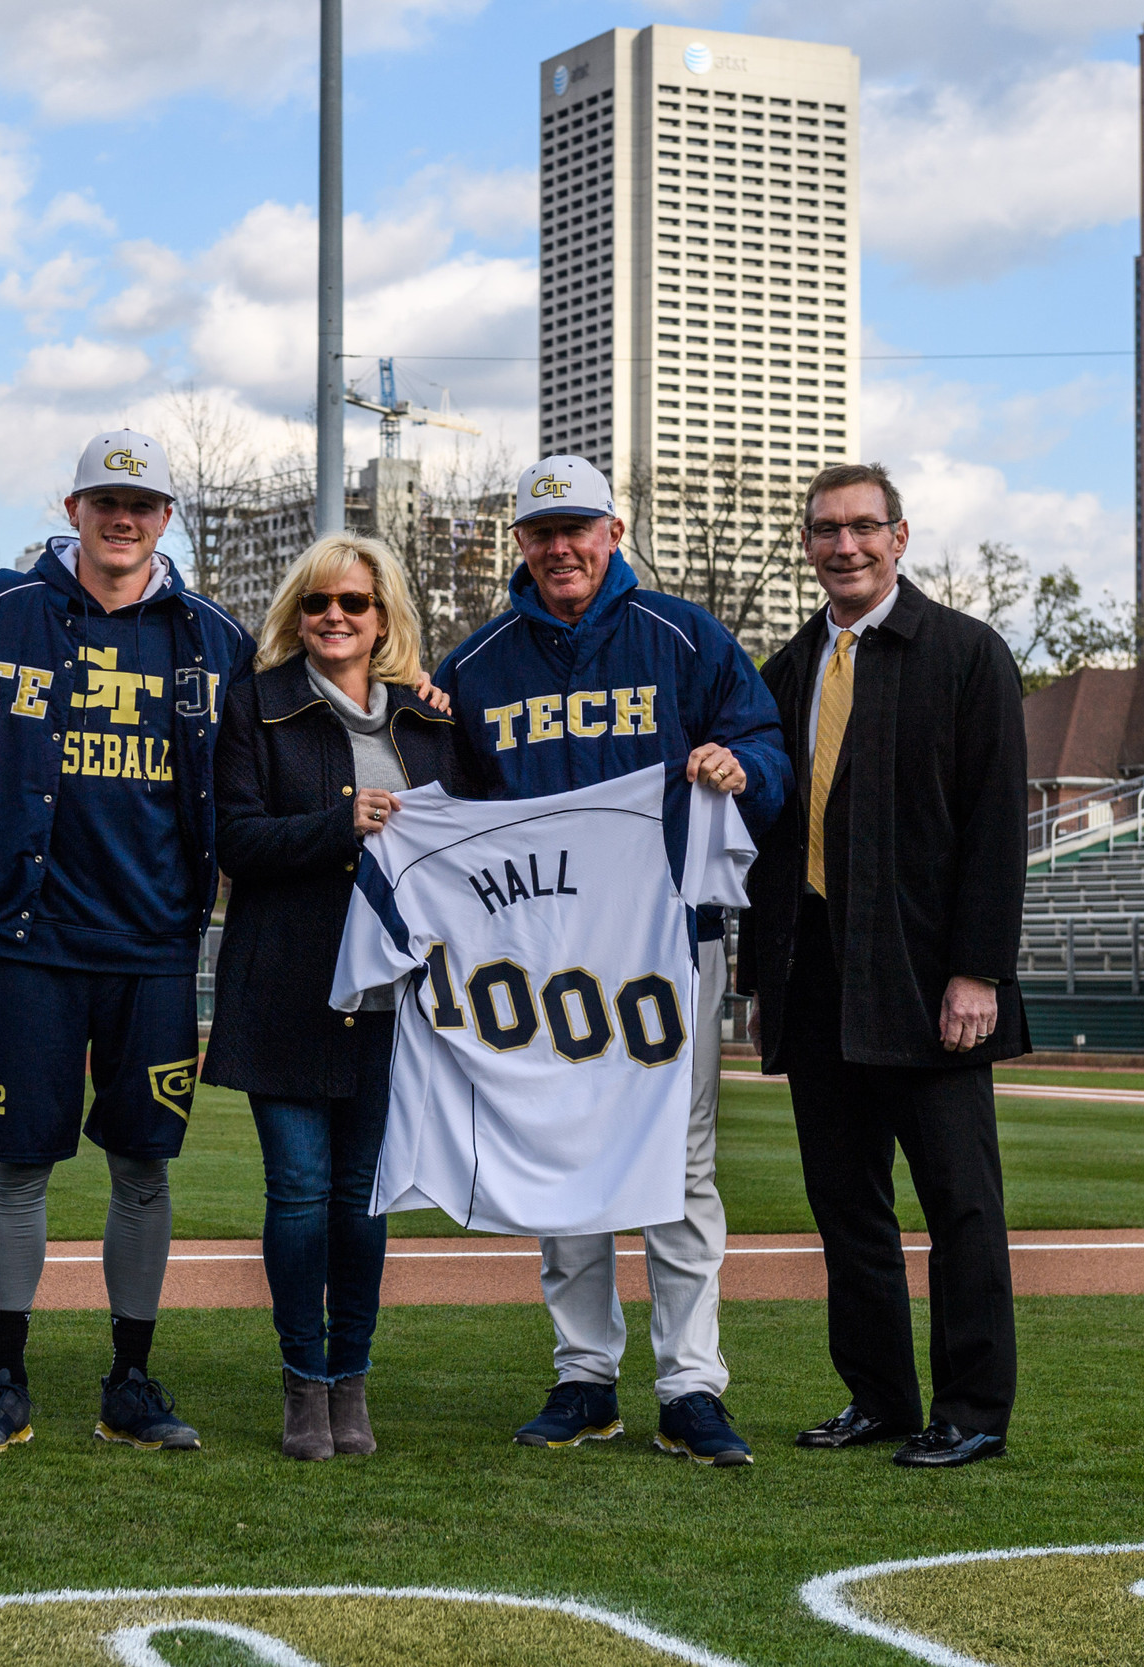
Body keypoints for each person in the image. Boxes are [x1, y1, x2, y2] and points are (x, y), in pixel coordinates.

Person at [0, 430, 256, 1455]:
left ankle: (130, 1382)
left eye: (141, 502)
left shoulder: (210, 636)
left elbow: (310, 710)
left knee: (144, 1166)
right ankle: (4, 1376)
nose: (122, 516)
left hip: (152, 943)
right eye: (106, 498)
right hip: (30, 937)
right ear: (72, 507)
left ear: (165, 517)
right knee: (20, 1164)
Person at [433, 454, 788, 1464]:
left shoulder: (682, 636)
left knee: (680, 1166)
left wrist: (740, 766)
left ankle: (690, 1384)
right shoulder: (477, 664)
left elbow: (767, 747)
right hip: (541, 959)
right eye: (541, 531)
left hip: (666, 944)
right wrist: (418, 709)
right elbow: (445, 808)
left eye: (576, 527)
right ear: (519, 544)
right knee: (563, 1157)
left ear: (613, 531)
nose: (560, 547)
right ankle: (584, 1375)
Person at [739, 460, 1027, 1469]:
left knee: (960, 1202)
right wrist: (761, 982)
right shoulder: (782, 671)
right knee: (846, 1202)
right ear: (808, 544)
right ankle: (878, 1395)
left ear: (899, 537)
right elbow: (768, 837)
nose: (844, 545)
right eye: (825, 529)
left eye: (863, 526)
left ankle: (973, 1408)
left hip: (925, 975)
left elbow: (996, 827)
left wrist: (977, 971)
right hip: (814, 975)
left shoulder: (965, 653)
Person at [202, 533, 471, 1461]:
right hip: (285, 982)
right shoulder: (257, 704)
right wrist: (337, 824)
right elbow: (234, 840)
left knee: (362, 1198)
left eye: (354, 603)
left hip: (399, 999)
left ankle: (351, 1378)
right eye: (318, 602)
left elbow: (477, 844)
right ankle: (302, 1381)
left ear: (383, 614)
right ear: (297, 611)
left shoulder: (432, 719)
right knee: (300, 1192)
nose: (335, 618)